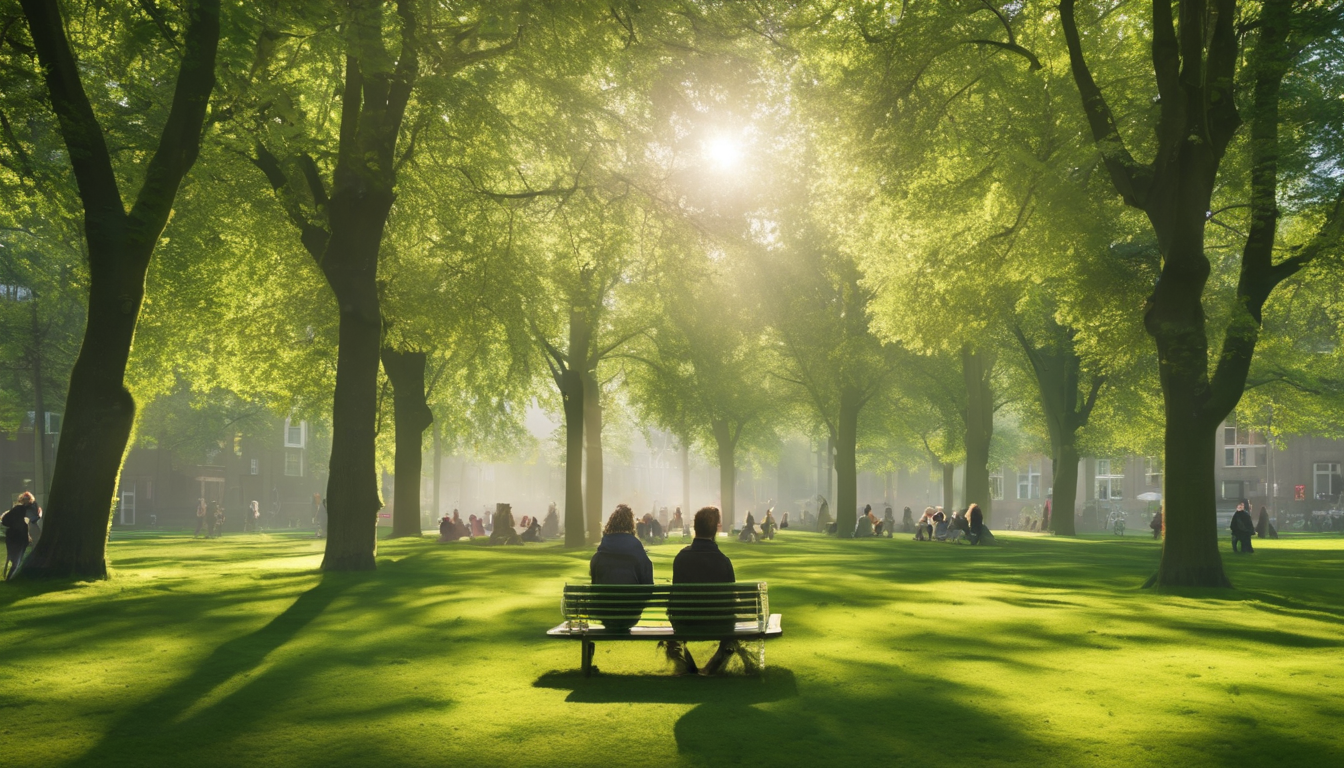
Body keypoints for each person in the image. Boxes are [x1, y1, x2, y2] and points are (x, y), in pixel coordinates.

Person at [666, 506, 751, 676]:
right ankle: (712, 666)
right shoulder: (723, 561)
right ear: (716, 529)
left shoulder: (681, 558)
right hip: (718, 623)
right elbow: (731, 599)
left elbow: (676, 596)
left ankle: (687, 666)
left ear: (694, 527)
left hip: (686, 622)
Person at [589, 504, 654, 637]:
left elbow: (595, 585)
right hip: (630, 612)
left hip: (605, 613)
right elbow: (648, 586)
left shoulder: (601, 552)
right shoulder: (636, 549)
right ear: (631, 525)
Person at [3, 492, 36, 580]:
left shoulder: (23, 510)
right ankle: (10, 577)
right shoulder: (19, 509)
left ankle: (11, 576)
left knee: (17, 558)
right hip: (16, 537)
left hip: (17, 537)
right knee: (17, 559)